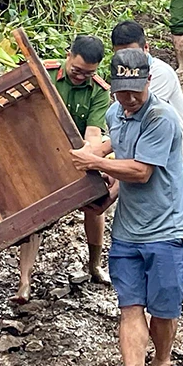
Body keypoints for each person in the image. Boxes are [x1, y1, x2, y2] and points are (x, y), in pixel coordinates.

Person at [69, 49, 183, 366]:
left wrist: (95, 162)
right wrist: (103, 177)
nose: (130, 98)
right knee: (130, 306)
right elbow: (118, 151)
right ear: (113, 88)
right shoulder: (114, 113)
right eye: (122, 91)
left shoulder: (161, 117)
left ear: (148, 82)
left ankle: (163, 362)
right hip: (127, 231)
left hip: (166, 228)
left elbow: (140, 171)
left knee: (164, 306)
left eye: (136, 91)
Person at [13, 35, 113, 304]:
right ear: (68, 55)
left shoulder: (99, 90)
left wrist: (90, 156)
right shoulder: (43, 73)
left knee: (95, 203)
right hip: (36, 153)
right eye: (77, 70)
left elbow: (93, 133)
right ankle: (24, 280)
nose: (81, 77)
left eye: (88, 73)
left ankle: (94, 264)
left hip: (74, 157)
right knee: (33, 213)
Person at [110, 20, 183, 214]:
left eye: (134, 53)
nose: (129, 61)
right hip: (144, 168)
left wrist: (94, 159)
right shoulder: (123, 80)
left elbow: (135, 129)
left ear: (146, 48)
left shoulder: (159, 75)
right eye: (122, 56)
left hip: (175, 170)